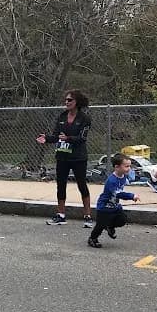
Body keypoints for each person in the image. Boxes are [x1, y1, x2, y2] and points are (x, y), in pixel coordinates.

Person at [36, 89, 93, 227]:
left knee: (81, 185)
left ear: (77, 102)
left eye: (70, 100)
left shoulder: (84, 118)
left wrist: (68, 138)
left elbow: (82, 138)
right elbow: (56, 135)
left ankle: (87, 216)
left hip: (78, 157)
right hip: (62, 156)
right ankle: (61, 215)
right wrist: (47, 139)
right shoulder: (62, 116)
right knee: (61, 185)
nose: (66, 102)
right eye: (66, 100)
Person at [88, 154, 140, 248]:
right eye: (126, 166)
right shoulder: (111, 181)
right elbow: (118, 193)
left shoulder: (123, 176)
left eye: (129, 166)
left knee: (122, 220)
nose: (129, 168)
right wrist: (132, 196)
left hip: (115, 205)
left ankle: (109, 226)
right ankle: (92, 238)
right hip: (104, 207)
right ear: (117, 167)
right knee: (100, 225)